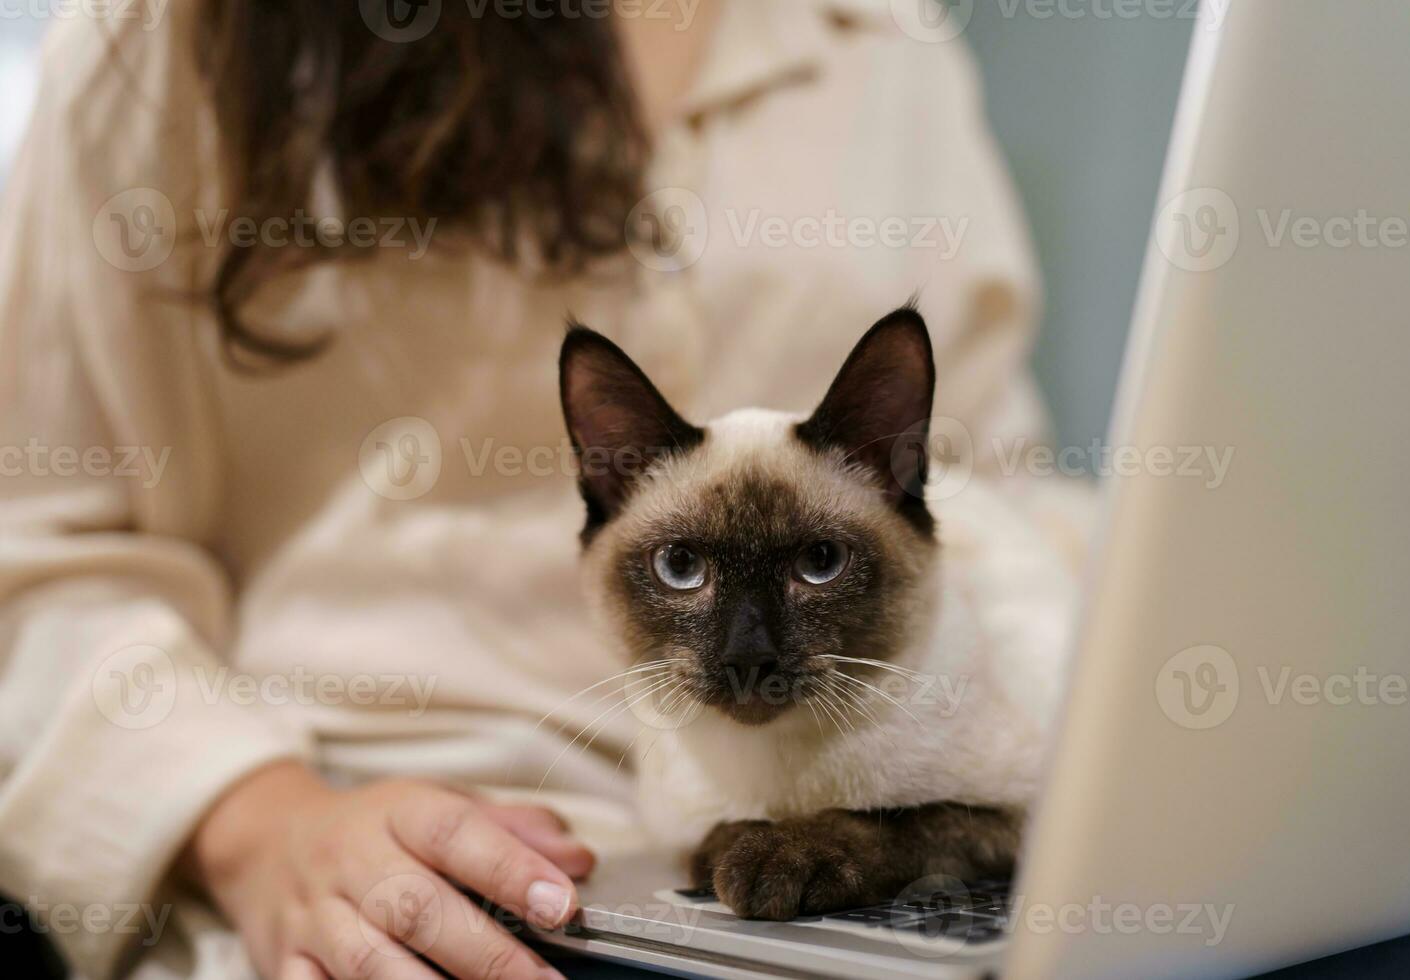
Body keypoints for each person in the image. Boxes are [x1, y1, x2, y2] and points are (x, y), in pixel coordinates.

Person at [0, 1, 1062, 976]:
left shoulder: (888, 40)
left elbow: (997, 508)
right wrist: (258, 825)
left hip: (842, 863)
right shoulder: (169, 36)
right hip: (363, 856)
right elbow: (31, 557)